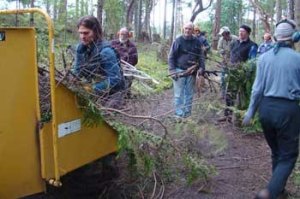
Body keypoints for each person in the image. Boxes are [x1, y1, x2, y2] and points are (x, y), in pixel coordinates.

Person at [243, 19, 300, 199]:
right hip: (287, 110)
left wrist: (250, 112)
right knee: (289, 155)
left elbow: (257, 89)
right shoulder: (297, 59)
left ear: (276, 37)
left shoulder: (264, 58)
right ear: (294, 38)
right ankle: (270, 192)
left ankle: (279, 191)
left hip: (266, 109)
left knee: (277, 152)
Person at [73, 16, 125, 107]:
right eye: (80, 33)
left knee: (103, 112)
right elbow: (77, 71)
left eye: (86, 33)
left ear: (95, 32)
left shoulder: (106, 52)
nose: (82, 37)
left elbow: (115, 79)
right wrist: (72, 81)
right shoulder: (81, 49)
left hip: (112, 92)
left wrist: (91, 89)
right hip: (92, 85)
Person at [168, 22, 205, 118]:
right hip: (179, 70)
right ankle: (179, 114)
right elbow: (171, 56)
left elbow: (201, 56)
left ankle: (187, 114)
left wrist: (201, 68)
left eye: (190, 29)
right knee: (178, 94)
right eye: (186, 28)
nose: (187, 30)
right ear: (183, 29)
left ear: (193, 30)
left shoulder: (197, 41)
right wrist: (172, 70)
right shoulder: (178, 40)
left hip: (192, 72)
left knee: (189, 94)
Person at [111, 27, 138, 96]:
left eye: (125, 34)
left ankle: (126, 93)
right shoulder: (113, 43)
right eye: (121, 34)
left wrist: (125, 66)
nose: (122, 36)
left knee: (128, 77)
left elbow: (134, 60)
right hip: (114, 67)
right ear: (118, 34)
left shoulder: (132, 46)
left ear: (128, 35)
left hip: (127, 68)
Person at [217, 26, 238, 99]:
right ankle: (222, 93)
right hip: (224, 61)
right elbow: (219, 48)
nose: (223, 36)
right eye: (222, 34)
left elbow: (238, 50)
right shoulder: (221, 40)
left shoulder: (235, 39)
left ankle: (231, 94)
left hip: (233, 62)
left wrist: (234, 61)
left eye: (224, 34)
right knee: (223, 78)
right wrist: (221, 52)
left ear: (227, 33)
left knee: (232, 78)